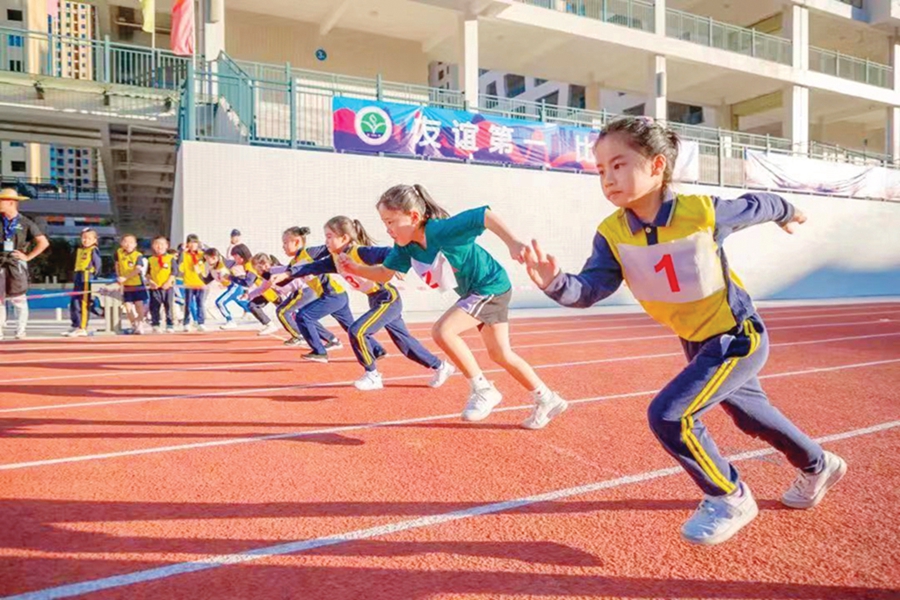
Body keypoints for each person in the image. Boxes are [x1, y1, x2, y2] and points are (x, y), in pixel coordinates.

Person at [523, 116, 846, 545]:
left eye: (618, 165)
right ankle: (819, 465)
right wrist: (554, 282)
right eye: (600, 170)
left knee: (669, 414)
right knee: (751, 416)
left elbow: (758, 203)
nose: (608, 179)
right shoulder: (612, 234)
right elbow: (589, 289)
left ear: (657, 166)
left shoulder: (701, 212)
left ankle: (729, 495)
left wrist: (789, 210)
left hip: (737, 336)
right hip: (696, 343)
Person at [337, 184, 567, 430]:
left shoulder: (442, 230)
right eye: (384, 223)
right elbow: (384, 273)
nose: (387, 229)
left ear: (414, 216)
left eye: (391, 222)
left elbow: (484, 215)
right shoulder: (405, 247)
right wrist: (355, 268)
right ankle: (547, 398)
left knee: (443, 331)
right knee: (501, 354)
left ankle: (483, 389)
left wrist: (513, 242)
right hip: (479, 291)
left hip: (489, 286)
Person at [277, 216, 454, 391]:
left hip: (387, 298)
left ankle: (372, 375)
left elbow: (387, 252)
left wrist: (396, 266)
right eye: (325, 237)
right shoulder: (335, 259)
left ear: (344, 238)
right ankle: (441, 366)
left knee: (357, 331)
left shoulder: (359, 252)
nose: (326, 241)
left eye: (329, 236)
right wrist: (287, 274)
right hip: (375, 299)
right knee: (404, 342)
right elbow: (312, 267)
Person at [0, 187, 49, 341]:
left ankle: (20, 331)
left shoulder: (26, 222)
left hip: (16, 264)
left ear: (11, 202)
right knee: (0, 299)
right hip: (0, 263)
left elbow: (43, 242)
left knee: (18, 298)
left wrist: (27, 257)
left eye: (1, 201)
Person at [227, 244, 279, 335]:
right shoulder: (248, 264)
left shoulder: (249, 265)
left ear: (240, 256)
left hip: (270, 290)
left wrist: (231, 278)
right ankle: (270, 325)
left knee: (286, 311)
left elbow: (248, 282)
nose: (234, 260)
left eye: (235, 257)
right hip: (264, 290)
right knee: (252, 305)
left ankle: (298, 333)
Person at [63, 227, 101, 337]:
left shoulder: (93, 250)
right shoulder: (80, 250)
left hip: (86, 277)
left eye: (89, 238)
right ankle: (75, 324)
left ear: (94, 240)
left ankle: (82, 327)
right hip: (78, 276)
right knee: (74, 302)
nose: (86, 240)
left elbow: (98, 265)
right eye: (84, 238)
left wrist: (94, 277)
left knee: (83, 302)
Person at [115, 234, 149, 335]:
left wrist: (126, 277)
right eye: (125, 242)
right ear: (121, 243)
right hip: (126, 286)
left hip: (137, 284)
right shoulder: (119, 252)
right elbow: (117, 265)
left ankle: (140, 322)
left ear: (135, 244)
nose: (128, 244)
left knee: (139, 305)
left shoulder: (138, 255)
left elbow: (137, 269)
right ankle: (134, 324)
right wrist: (119, 277)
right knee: (128, 306)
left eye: (131, 242)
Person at [147, 236, 177, 333]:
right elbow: (148, 273)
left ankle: (169, 324)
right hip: (155, 287)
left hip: (167, 287)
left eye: (162, 244)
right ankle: (155, 323)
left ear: (167, 246)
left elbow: (174, 272)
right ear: (153, 246)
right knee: (154, 306)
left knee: (168, 305)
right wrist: (151, 281)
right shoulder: (151, 259)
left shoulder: (170, 258)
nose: (159, 246)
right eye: (157, 244)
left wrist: (168, 282)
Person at [180, 234, 208, 332]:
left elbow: (209, 254)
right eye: (190, 243)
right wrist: (182, 250)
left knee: (200, 303)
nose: (193, 245)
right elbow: (179, 263)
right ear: (187, 244)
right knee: (188, 304)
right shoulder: (184, 254)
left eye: (195, 243)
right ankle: (186, 323)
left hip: (200, 282)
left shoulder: (201, 254)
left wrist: (203, 246)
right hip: (189, 282)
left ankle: (201, 322)